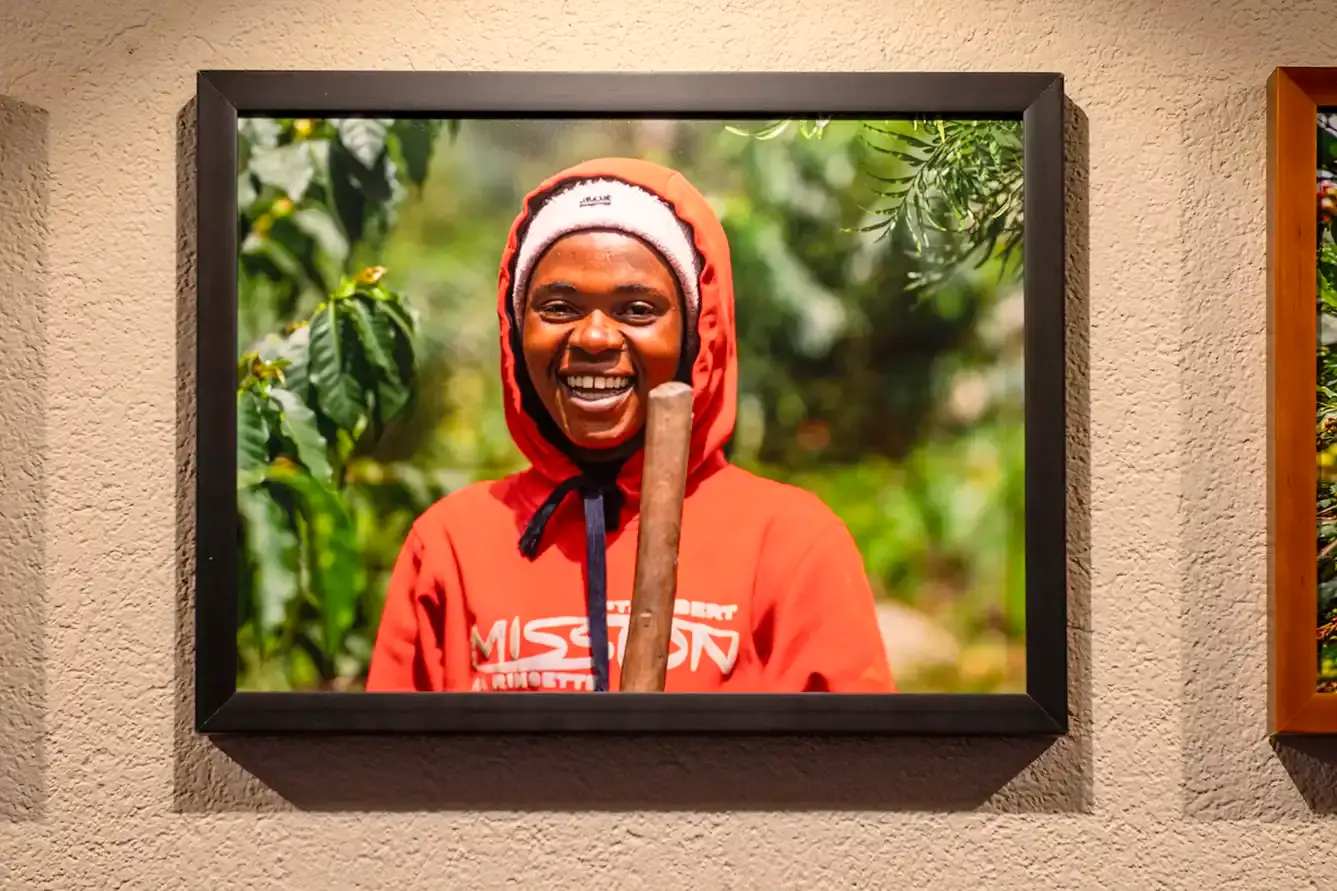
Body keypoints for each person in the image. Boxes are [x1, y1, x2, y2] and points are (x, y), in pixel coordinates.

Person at [364, 156, 895, 694]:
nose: (594, 338)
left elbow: (851, 747)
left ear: (695, 337)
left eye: (638, 309)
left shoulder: (790, 546)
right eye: (559, 307)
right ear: (517, 331)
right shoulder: (452, 545)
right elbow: (391, 747)